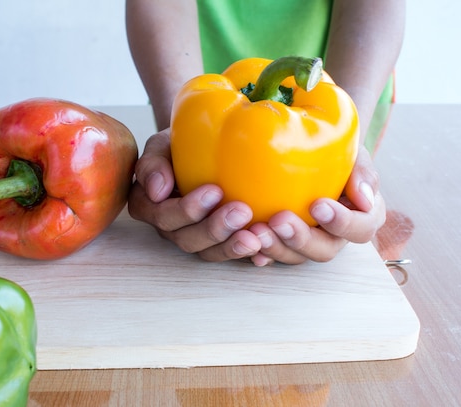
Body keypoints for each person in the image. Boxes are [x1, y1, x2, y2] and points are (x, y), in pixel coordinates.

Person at [125, 0, 405, 266]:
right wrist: (176, 136)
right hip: (195, 78)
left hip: (341, 79)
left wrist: (350, 145)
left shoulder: (335, 107)